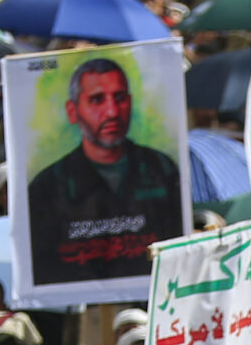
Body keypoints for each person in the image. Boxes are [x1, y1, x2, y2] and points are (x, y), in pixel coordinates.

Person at [24, 57, 185, 290]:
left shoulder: (162, 169)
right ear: (73, 111)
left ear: (130, 103)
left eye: (119, 98)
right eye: (97, 100)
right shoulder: (47, 187)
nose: (111, 111)